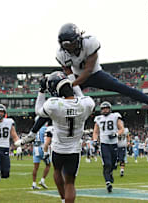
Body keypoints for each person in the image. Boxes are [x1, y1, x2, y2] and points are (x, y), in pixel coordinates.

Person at [56, 23, 148, 112]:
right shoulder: (61, 54)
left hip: (96, 74)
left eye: (72, 44)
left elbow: (88, 70)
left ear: (79, 39)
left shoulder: (90, 43)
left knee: (122, 88)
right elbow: (67, 70)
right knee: (59, 99)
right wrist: (71, 85)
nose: (70, 48)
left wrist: (73, 84)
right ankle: (38, 127)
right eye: (66, 45)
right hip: (76, 76)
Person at [35, 71, 95, 203]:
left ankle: (63, 199)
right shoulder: (87, 103)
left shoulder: (54, 104)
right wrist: (72, 79)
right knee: (70, 183)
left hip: (58, 147)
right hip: (74, 149)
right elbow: (80, 96)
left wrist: (41, 90)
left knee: (57, 170)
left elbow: (38, 110)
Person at [93, 101, 124, 193]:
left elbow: (121, 128)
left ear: (110, 109)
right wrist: (95, 140)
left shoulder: (115, 116)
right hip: (104, 144)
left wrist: (115, 134)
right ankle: (108, 183)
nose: (105, 110)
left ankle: (110, 173)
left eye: (107, 108)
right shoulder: (98, 118)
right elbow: (95, 131)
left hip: (114, 143)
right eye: (103, 108)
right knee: (107, 164)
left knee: (114, 164)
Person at [31, 120, 52, 190]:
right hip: (42, 147)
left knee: (35, 167)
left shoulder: (36, 130)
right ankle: (42, 180)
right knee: (48, 165)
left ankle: (34, 183)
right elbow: (47, 139)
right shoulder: (45, 129)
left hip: (35, 148)